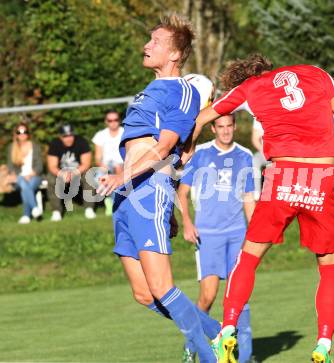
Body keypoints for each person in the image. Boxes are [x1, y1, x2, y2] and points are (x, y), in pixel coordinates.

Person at [184, 53, 334, 363]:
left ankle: (228, 329)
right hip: (321, 177)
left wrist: (188, 149)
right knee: (329, 267)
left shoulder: (251, 86)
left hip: (283, 175)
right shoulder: (316, 73)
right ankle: (323, 344)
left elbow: (202, 118)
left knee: (247, 258)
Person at [96, 15, 219, 363]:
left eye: (156, 41)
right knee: (143, 293)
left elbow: (164, 148)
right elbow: (139, 147)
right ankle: (219, 332)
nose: (146, 46)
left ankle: (214, 357)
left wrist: (126, 178)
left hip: (148, 189)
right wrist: (122, 179)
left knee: (163, 287)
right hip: (127, 193)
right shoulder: (146, 91)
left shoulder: (183, 90)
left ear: (176, 54)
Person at [177, 114, 256, 363]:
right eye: (220, 127)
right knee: (208, 296)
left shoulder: (244, 155)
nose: (225, 131)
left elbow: (248, 198)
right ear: (212, 128)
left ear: (235, 127)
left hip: (237, 235)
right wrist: (187, 222)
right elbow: (183, 191)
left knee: (239, 295)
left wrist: (255, 234)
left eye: (229, 126)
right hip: (207, 235)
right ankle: (192, 345)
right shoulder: (200, 154)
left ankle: (244, 355)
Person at [47, 123, 95, 221]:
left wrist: (74, 173)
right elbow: (52, 166)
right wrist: (62, 174)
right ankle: (56, 211)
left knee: (90, 176)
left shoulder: (82, 142)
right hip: (61, 173)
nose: (69, 138)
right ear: (60, 137)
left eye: (70, 135)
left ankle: (89, 208)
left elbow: (86, 164)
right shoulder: (54, 144)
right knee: (51, 179)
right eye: (65, 136)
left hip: (79, 171)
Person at [6, 122, 43, 224]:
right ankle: (35, 208)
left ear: (28, 133)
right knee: (23, 182)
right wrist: (15, 175)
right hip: (18, 178)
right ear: (16, 134)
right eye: (19, 132)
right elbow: (10, 167)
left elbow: (40, 166)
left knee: (27, 186)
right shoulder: (11, 148)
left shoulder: (35, 146)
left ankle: (26, 215)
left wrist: (31, 174)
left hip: (34, 176)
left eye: (24, 131)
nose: (22, 134)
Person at [92, 110, 124, 215]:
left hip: (124, 165)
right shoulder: (100, 135)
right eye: (110, 120)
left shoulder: (125, 133)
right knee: (100, 177)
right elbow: (97, 157)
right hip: (105, 166)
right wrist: (103, 166)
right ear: (106, 122)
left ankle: (114, 202)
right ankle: (111, 201)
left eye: (115, 120)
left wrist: (122, 166)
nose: (113, 122)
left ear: (119, 121)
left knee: (119, 173)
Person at [251, 119, 269, 199]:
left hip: (281, 154)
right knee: (255, 160)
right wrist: (265, 152)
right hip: (264, 153)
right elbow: (255, 139)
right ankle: (256, 192)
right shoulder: (259, 117)